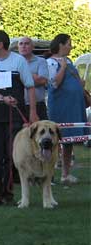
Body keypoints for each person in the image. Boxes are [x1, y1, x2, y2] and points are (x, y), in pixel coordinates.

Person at [0, 30, 38, 207]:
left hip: (14, 116)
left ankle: (8, 192)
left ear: (0, 44)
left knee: (11, 156)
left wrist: (32, 112)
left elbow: (30, 87)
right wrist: (2, 98)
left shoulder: (18, 61)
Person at [45, 33, 88, 184]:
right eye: (69, 43)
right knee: (55, 140)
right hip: (60, 106)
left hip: (74, 106)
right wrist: (62, 68)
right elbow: (54, 83)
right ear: (61, 45)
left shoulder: (69, 60)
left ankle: (66, 173)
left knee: (68, 141)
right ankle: (49, 174)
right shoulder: (50, 62)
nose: (71, 46)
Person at [18, 37, 50, 120]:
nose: (23, 46)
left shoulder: (41, 61)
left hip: (38, 105)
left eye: (26, 44)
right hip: (19, 106)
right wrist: (34, 76)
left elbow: (42, 80)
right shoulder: (14, 63)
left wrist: (21, 77)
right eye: (21, 44)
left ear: (32, 47)